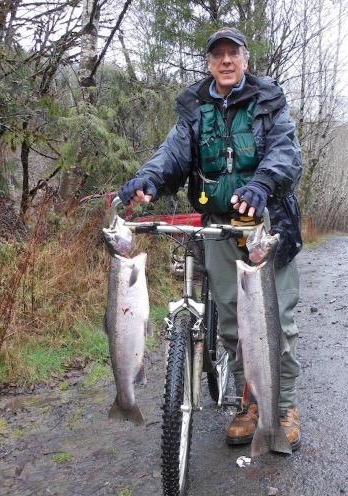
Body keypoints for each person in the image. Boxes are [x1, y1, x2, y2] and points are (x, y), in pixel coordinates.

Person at [118, 27, 303, 450]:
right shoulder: (195, 107)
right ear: (208, 63)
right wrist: (149, 178)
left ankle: (285, 407)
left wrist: (262, 183)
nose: (225, 61)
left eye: (232, 53)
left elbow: (286, 152)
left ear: (245, 59)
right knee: (236, 323)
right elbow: (174, 153)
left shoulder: (269, 101)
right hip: (219, 224)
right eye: (217, 55)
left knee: (279, 324)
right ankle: (251, 404)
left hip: (268, 226)